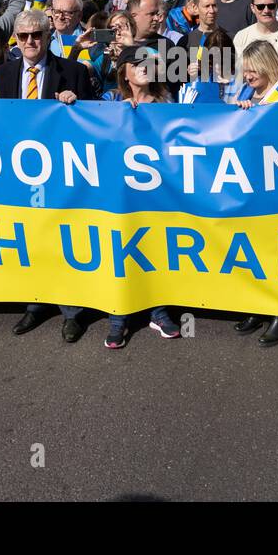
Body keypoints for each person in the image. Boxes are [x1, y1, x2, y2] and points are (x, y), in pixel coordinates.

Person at [0, 11, 95, 342]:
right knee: (31, 238)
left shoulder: (74, 72)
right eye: (22, 37)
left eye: (35, 35)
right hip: (21, 171)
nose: (29, 42)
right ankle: (35, 303)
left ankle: (73, 310)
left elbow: (95, 123)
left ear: (48, 34)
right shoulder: (5, 73)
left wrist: (75, 104)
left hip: (63, 173)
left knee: (66, 239)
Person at [101, 46, 181, 348]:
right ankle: (118, 315)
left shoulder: (165, 101)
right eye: (138, 63)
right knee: (121, 249)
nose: (145, 67)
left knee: (154, 248)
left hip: (156, 190)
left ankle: (157, 310)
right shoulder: (110, 101)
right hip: (118, 192)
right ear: (124, 71)